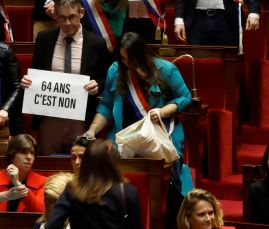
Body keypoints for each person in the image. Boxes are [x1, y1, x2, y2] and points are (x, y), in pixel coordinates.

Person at [83, 32, 194, 194]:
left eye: (132, 59)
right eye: (124, 58)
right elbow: (106, 105)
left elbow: (185, 97)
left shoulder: (165, 69)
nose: (128, 63)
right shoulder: (115, 70)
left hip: (159, 130)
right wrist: (92, 130)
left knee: (169, 156)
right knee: (104, 157)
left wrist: (163, 112)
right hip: (124, 133)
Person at [24, 0, 110, 153]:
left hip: (81, 119)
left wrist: (98, 85)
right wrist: (28, 82)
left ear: (81, 13)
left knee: (80, 163)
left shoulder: (96, 43)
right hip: (49, 118)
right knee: (48, 164)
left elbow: (107, 78)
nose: (67, 23)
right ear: (55, 15)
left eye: (72, 17)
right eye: (62, 18)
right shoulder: (44, 39)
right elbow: (35, 74)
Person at [0, 133, 46, 212]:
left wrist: (17, 184)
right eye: (24, 152)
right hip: (0, 220)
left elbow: (41, 210)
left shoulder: (42, 181)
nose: (29, 157)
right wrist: (6, 195)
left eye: (32, 153)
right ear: (12, 156)